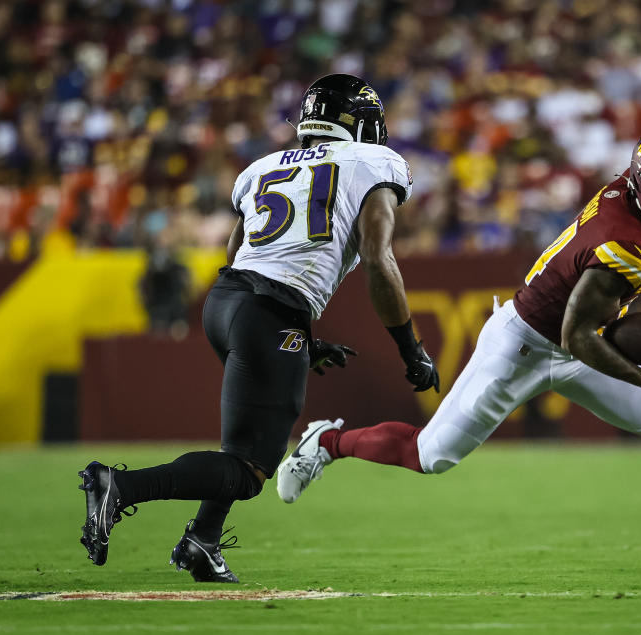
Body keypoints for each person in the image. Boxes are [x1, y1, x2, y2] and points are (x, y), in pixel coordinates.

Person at [277, 119, 641, 571]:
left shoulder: (636, 188)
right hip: (526, 342)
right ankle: (327, 444)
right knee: (431, 455)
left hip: (583, 334)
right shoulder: (624, 240)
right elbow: (575, 335)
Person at [77, 74, 440, 582]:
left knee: (242, 443)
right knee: (250, 472)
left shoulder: (262, 167)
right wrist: (411, 348)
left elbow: (236, 253)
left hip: (226, 305)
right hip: (270, 312)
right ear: (359, 124)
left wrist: (298, 337)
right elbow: (379, 260)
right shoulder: (375, 163)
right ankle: (119, 486)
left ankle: (203, 540)